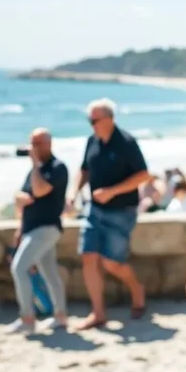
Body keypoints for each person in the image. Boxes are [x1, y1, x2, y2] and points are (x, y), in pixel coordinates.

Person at [68, 98, 150, 330]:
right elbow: (84, 170)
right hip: (93, 209)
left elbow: (143, 175)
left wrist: (112, 192)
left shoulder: (127, 142)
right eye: (89, 120)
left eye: (94, 120)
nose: (91, 124)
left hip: (122, 211)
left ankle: (137, 291)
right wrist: (73, 193)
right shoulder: (91, 141)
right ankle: (98, 313)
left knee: (112, 262)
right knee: (88, 256)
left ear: (109, 119)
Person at [8, 128, 70, 334]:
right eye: (32, 143)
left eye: (37, 144)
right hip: (32, 228)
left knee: (19, 268)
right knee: (50, 273)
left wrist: (35, 164)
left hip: (46, 228)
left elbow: (39, 190)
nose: (33, 148)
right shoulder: (35, 171)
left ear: (48, 144)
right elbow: (22, 195)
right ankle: (60, 316)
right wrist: (20, 227)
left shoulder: (57, 168)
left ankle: (27, 318)